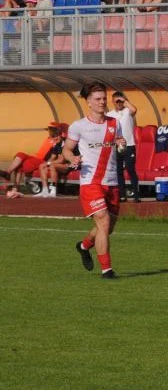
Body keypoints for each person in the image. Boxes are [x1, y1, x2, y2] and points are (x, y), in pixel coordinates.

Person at [67, 81, 128, 280]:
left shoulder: (114, 123)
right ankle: (107, 270)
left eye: (103, 98)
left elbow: (119, 145)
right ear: (89, 102)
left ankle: (84, 246)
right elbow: (66, 149)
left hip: (112, 182)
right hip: (90, 182)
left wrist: (122, 144)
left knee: (108, 228)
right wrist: (72, 158)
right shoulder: (78, 126)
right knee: (103, 219)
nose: (102, 102)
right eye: (97, 99)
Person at [0, 122, 64, 191]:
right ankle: (10, 177)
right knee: (20, 156)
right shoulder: (49, 139)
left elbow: (55, 156)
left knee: (20, 161)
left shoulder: (57, 141)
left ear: (57, 131)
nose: (49, 131)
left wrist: (48, 163)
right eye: (48, 129)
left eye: (51, 129)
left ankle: (13, 184)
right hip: (36, 158)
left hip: (42, 161)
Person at [106, 91, 139, 202]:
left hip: (129, 144)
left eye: (121, 101)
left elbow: (134, 109)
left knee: (130, 169)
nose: (119, 103)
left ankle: (136, 195)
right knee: (118, 170)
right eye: (117, 101)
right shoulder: (110, 115)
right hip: (116, 146)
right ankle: (122, 195)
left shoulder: (127, 111)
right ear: (113, 102)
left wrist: (125, 100)